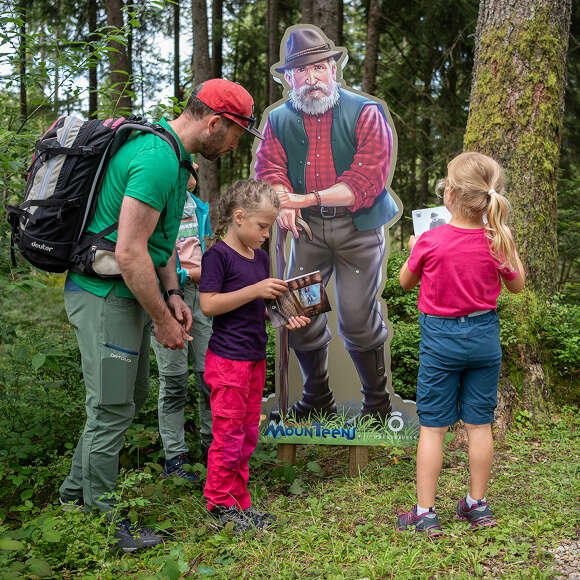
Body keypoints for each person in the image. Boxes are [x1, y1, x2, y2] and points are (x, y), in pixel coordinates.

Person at [58, 78, 262, 552]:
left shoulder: (176, 161)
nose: (233, 146)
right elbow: (130, 253)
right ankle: (106, 527)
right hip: (104, 295)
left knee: (120, 401)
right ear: (215, 122)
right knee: (110, 409)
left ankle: (72, 496)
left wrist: (171, 294)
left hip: (128, 296)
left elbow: (159, 242)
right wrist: (166, 321)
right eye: (234, 135)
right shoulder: (155, 159)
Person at [255, 26, 400, 423]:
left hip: (359, 229)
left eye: (320, 66)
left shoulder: (365, 113)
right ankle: (317, 397)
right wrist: (281, 200)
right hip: (307, 232)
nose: (313, 78)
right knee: (298, 314)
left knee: (356, 316)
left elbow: (367, 180)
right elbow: (268, 169)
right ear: (288, 79)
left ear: (334, 69)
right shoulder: (277, 120)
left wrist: (307, 198)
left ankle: (377, 403)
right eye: (302, 71)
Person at [396, 152, 525, 537]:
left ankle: (424, 513)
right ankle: (476, 504)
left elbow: (404, 282)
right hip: (484, 339)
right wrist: (509, 245)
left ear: (449, 194)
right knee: (479, 425)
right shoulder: (497, 240)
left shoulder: (431, 240)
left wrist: (414, 248)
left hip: (441, 341)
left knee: (433, 429)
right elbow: (517, 286)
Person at [199, 179, 309, 533]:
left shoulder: (260, 258)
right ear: (238, 217)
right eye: (262, 226)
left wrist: (285, 316)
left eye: (269, 227)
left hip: (254, 358)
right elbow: (209, 305)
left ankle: (239, 504)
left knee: (246, 435)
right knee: (228, 434)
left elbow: (259, 309)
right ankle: (218, 506)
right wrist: (254, 290)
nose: (266, 234)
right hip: (227, 360)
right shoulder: (217, 255)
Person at [152, 174, 213, 482]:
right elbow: (152, 255)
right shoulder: (156, 207)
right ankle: (175, 457)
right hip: (167, 297)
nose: (193, 168)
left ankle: (212, 449)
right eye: (185, 164)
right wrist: (185, 276)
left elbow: (208, 250)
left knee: (208, 377)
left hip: (202, 299)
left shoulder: (200, 208)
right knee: (174, 379)